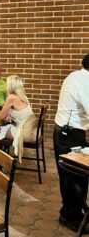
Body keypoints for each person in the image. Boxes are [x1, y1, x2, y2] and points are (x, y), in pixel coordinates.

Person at [53, 53, 89, 232]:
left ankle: (73, 212)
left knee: (73, 176)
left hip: (66, 131)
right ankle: (70, 216)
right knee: (75, 176)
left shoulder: (76, 75)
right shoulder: (85, 81)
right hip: (70, 134)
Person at [0, 75, 37, 163]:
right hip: (33, 131)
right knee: (4, 129)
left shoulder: (11, 97)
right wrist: (8, 114)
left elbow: (1, 117)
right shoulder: (23, 96)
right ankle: (2, 158)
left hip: (24, 132)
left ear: (11, 86)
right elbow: (16, 112)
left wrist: (6, 115)